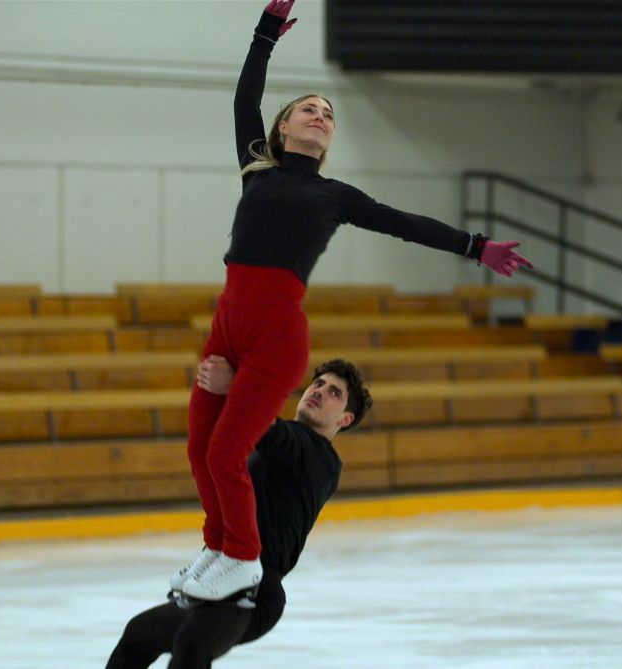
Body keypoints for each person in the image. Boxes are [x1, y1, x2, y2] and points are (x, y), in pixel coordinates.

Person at [175, 0, 534, 604]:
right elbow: (244, 101)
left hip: (274, 336)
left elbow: (405, 224)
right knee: (199, 447)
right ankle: (218, 547)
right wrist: (265, 35)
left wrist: (476, 246)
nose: (320, 114)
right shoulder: (257, 170)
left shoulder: (337, 195)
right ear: (284, 128)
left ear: (329, 138)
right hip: (228, 323)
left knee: (227, 450)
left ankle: (242, 558)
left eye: (329, 113)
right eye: (308, 109)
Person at [108, 357, 371, 669]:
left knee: (192, 644)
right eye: (318, 384)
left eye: (334, 393)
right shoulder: (285, 441)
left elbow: (265, 429)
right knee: (138, 636)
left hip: (256, 591)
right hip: (220, 575)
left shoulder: (320, 458)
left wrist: (233, 386)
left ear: (344, 419)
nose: (319, 391)